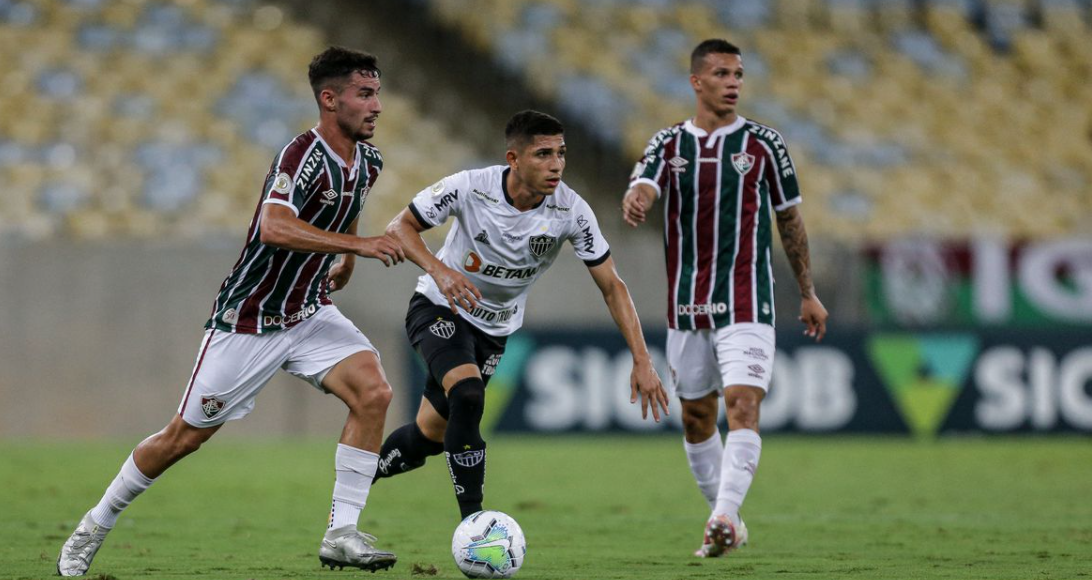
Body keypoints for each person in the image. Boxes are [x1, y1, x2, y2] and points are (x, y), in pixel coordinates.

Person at [56, 47, 406, 577]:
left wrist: (347, 258)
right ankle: (93, 526)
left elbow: (349, 206)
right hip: (250, 319)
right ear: (329, 100)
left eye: (377, 92)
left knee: (374, 392)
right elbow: (273, 227)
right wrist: (358, 248)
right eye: (365, 94)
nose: (376, 104)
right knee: (183, 438)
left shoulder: (370, 161)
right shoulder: (301, 157)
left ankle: (341, 533)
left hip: (308, 311)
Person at [371, 110, 671, 519]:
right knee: (468, 394)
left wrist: (642, 358)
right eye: (543, 154)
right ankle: (475, 524)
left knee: (430, 436)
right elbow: (399, 228)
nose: (556, 165)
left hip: (495, 329)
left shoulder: (572, 211)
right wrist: (440, 272)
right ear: (513, 159)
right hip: (441, 307)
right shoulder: (470, 187)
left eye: (561, 153)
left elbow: (612, 286)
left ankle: (360, 476)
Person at [622, 39, 829, 558]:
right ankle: (728, 520)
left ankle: (720, 518)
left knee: (741, 404)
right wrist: (638, 197)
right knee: (696, 417)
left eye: (738, 74)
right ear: (696, 82)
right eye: (721, 73)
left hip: (747, 298)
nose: (733, 82)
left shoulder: (765, 145)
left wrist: (807, 292)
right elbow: (644, 183)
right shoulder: (668, 143)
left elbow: (790, 219)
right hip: (686, 304)